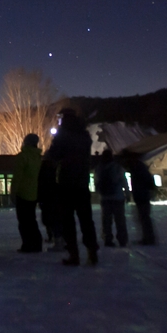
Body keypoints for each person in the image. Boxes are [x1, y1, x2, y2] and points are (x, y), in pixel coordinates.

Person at [45, 109, 99, 266]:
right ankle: (92, 252)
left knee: (67, 221)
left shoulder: (63, 135)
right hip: (82, 182)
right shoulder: (84, 135)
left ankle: (73, 254)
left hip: (66, 182)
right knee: (86, 220)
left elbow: (53, 155)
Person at [11, 133, 43, 253]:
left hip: (22, 193)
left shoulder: (22, 157)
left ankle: (28, 244)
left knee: (23, 222)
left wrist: (13, 192)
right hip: (33, 194)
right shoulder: (38, 158)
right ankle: (37, 243)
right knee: (32, 220)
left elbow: (17, 177)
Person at [94, 147, 129, 248]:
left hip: (105, 198)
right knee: (120, 220)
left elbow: (96, 182)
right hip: (118, 197)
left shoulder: (99, 168)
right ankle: (122, 239)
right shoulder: (117, 167)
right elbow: (124, 181)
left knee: (106, 220)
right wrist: (127, 194)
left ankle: (107, 238)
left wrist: (99, 193)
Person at [123, 152, 156, 245]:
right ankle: (148, 237)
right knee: (144, 218)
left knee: (144, 217)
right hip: (142, 195)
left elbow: (144, 182)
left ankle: (149, 238)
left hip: (142, 196)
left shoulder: (138, 169)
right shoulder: (139, 168)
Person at [37, 156, 64, 250]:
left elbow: (40, 186)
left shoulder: (43, 171)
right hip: (54, 198)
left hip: (47, 199)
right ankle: (60, 240)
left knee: (51, 221)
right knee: (56, 220)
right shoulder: (55, 170)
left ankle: (57, 240)